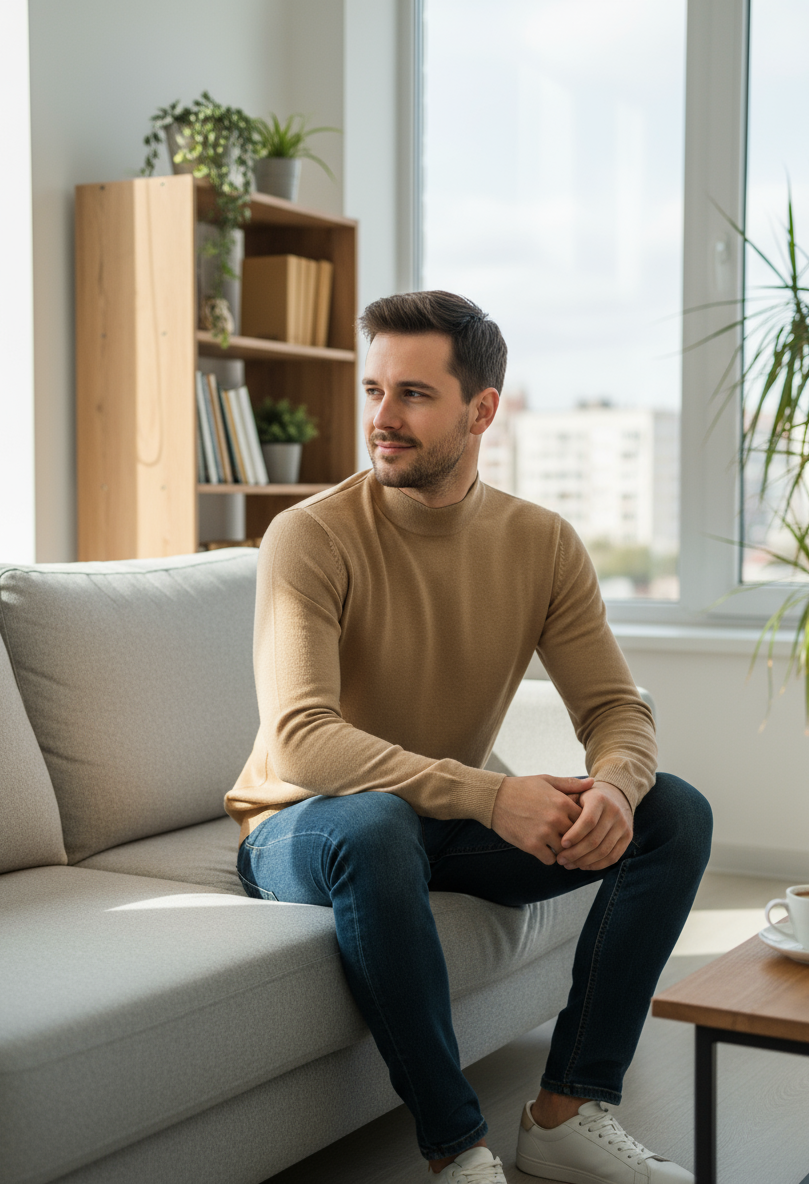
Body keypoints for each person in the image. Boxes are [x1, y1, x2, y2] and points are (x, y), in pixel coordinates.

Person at [226, 290, 712, 1183]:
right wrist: (491, 794)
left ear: (482, 409)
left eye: (412, 394)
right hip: (305, 824)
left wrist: (613, 786)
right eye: (373, 389)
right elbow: (301, 738)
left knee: (672, 811)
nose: (382, 417)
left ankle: (566, 1111)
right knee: (373, 825)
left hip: (434, 825)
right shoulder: (309, 537)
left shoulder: (542, 543)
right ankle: (457, 1151)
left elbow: (616, 709)